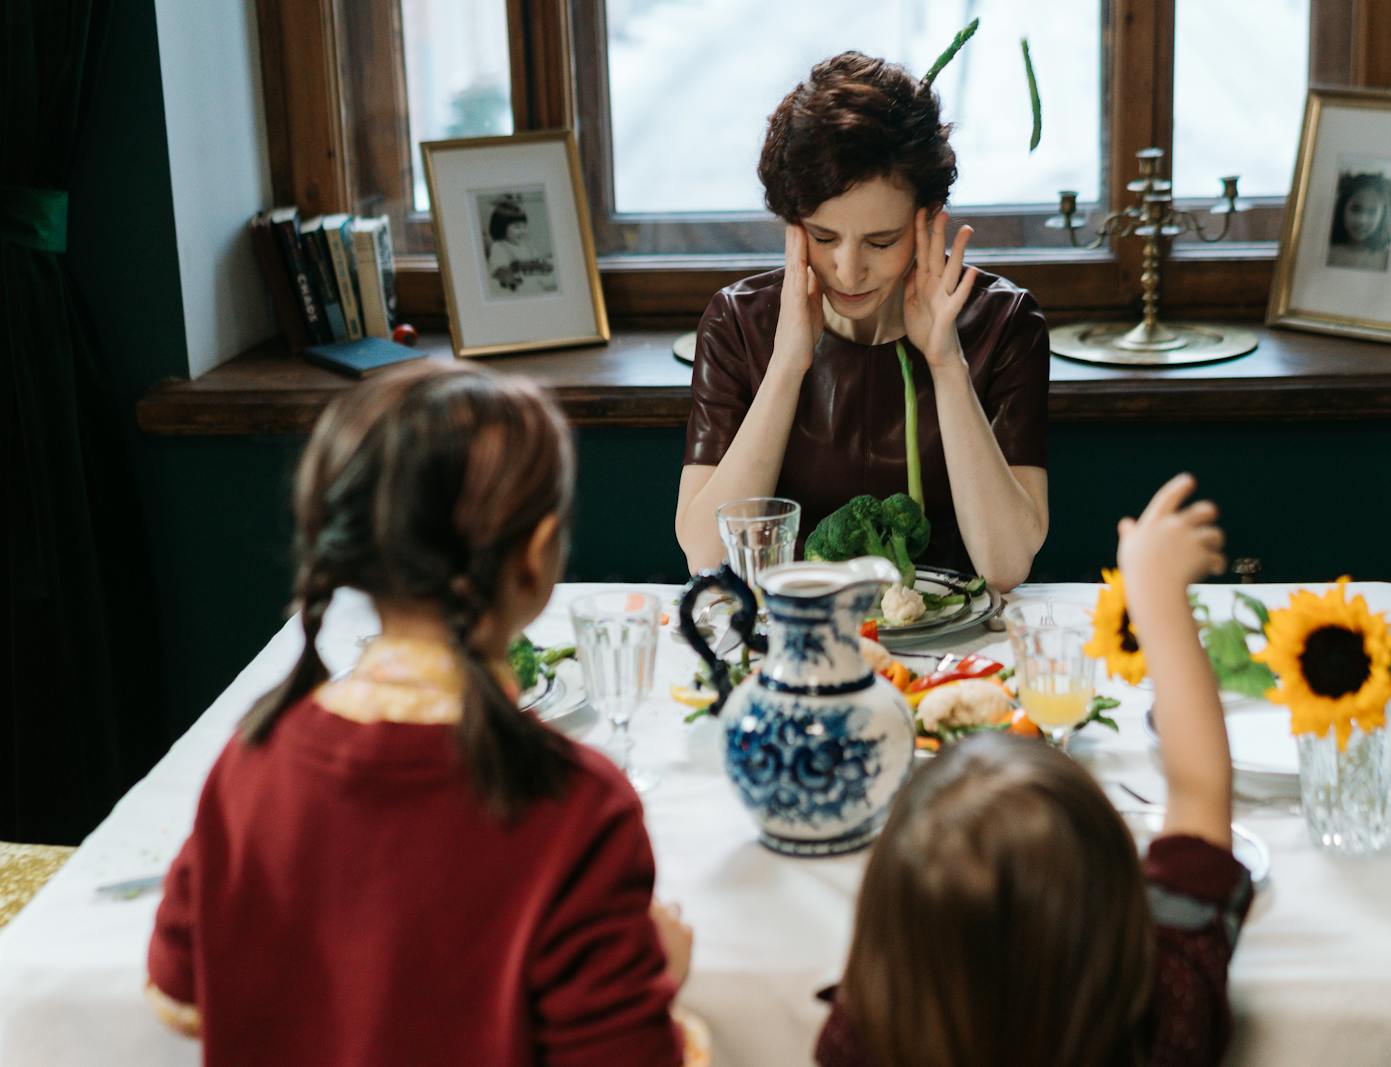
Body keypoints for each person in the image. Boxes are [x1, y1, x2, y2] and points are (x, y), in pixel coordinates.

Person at [144, 363, 693, 1066]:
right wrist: (658, 974)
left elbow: (178, 986)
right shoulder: (577, 805)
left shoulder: (251, 761)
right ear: (536, 554)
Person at [814, 472, 1251, 1067]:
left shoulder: (861, 1036)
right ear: (1120, 907)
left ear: (884, 929)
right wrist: (1156, 597)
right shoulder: (1163, 1015)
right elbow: (1200, 793)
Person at [675, 51, 1049, 591]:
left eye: (881, 241)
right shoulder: (737, 321)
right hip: (793, 637)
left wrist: (946, 362)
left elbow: (1006, 565)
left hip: (957, 649)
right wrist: (787, 363)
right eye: (824, 238)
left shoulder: (1006, 321)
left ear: (928, 222)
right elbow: (708, 557)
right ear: (792, 225)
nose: (848, 272)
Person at [1326, 170, 1391, 272]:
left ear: (1382, 216)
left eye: (1372, 212)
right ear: (1343, 208)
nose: (1362, 220)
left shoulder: (1387, 260)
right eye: (1355, 209)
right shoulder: (1326, 252)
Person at [486, 199, 553, 293]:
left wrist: (541, 264)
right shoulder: (499, 247)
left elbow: (536, 261)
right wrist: (510, 273)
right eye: (517, 227)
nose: (523, 231)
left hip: (535, 287)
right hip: (515, 290)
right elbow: (498, 270)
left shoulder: (527, 245)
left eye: (524, 226)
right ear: (501, 227)